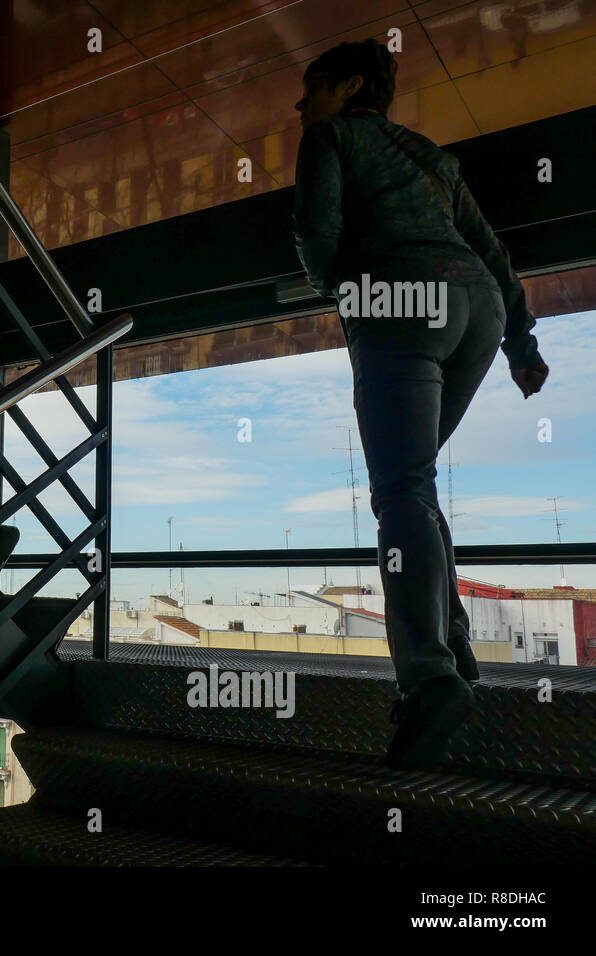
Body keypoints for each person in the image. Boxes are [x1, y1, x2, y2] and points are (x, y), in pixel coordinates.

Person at [291, 39, 549, 769]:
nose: (299, 105)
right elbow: (492, 250)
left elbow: (316, 232)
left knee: (400, 490)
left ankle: (429, 679)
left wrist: (336, 281)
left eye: (309, 89)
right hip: (476, 309)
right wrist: (522, 346)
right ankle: (457, 656)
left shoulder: (329, 137)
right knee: (418, 486)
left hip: (398, 302)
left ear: (346, 88)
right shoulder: (434, 157)